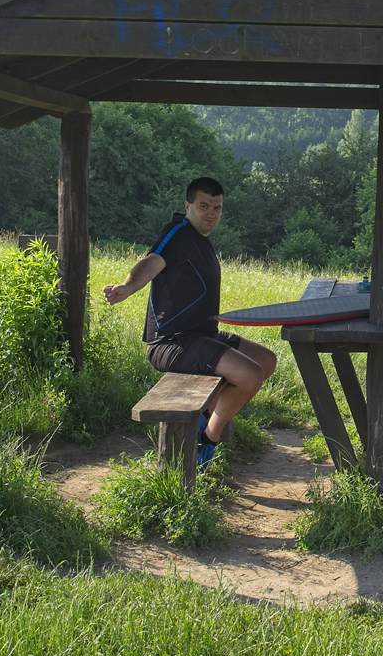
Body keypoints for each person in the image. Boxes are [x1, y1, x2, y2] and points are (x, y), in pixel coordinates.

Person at [102, 176, 276, 470]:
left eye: (217, 208)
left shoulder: (203, 240)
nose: (211, 213)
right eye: (204, 206)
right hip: (172, 342)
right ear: (188, 206)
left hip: (202, 336)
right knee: (250, 375)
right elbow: (152, 261)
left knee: (266, 360)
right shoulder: (178, 232)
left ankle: (206, 416)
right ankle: (208, 440)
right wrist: (127, 287)